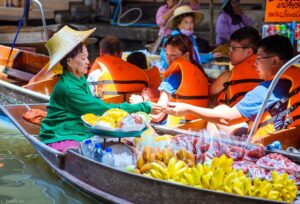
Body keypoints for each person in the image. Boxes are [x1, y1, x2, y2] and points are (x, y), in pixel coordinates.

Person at [39, 26, 162, 153]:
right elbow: (102, 108)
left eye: (87, 57)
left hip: (78, 128)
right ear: (69, 61)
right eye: (83, 58)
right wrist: (143, 106)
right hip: (61, 134)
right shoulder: (68, 88)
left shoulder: (79, 78)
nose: (88, 62)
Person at [166, 35, 296, 139]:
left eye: (259, 59)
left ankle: (216, 162)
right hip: (289, 138)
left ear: (274, 61)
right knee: (220, 108)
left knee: (215, 118)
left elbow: (226, 119)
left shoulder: (267, 90)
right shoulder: (291, 80)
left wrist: (188, 108)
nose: (255, 64)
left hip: (264, 146)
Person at [131, 34, 208, 124]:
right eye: (167, 54)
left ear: (186, 55)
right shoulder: (201, 73)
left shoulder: (173, 78)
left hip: (175, 130)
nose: (168, 59)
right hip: (197, 126)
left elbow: (157, 115)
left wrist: (139, 103)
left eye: (173, 55)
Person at [87, 35, 158, 101]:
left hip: (106, 112)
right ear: (121, 53)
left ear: (101, 52)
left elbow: (89, 100)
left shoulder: (95, 75)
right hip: (134, 111)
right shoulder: (142, 75)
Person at [209, 26, 262, 107]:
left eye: (234, 49)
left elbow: (209, 92)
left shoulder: (228, 76)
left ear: (249, 52)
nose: (229, 52)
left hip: (235, 117)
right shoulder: (268, 71)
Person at [160, 5, 223, 69]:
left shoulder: (191, 38)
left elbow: (195, 57)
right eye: (186, 23)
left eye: (191, 22)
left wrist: (211, 56)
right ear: (178, 24)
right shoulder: (172, 38)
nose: (189, 25)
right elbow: (166, 57)